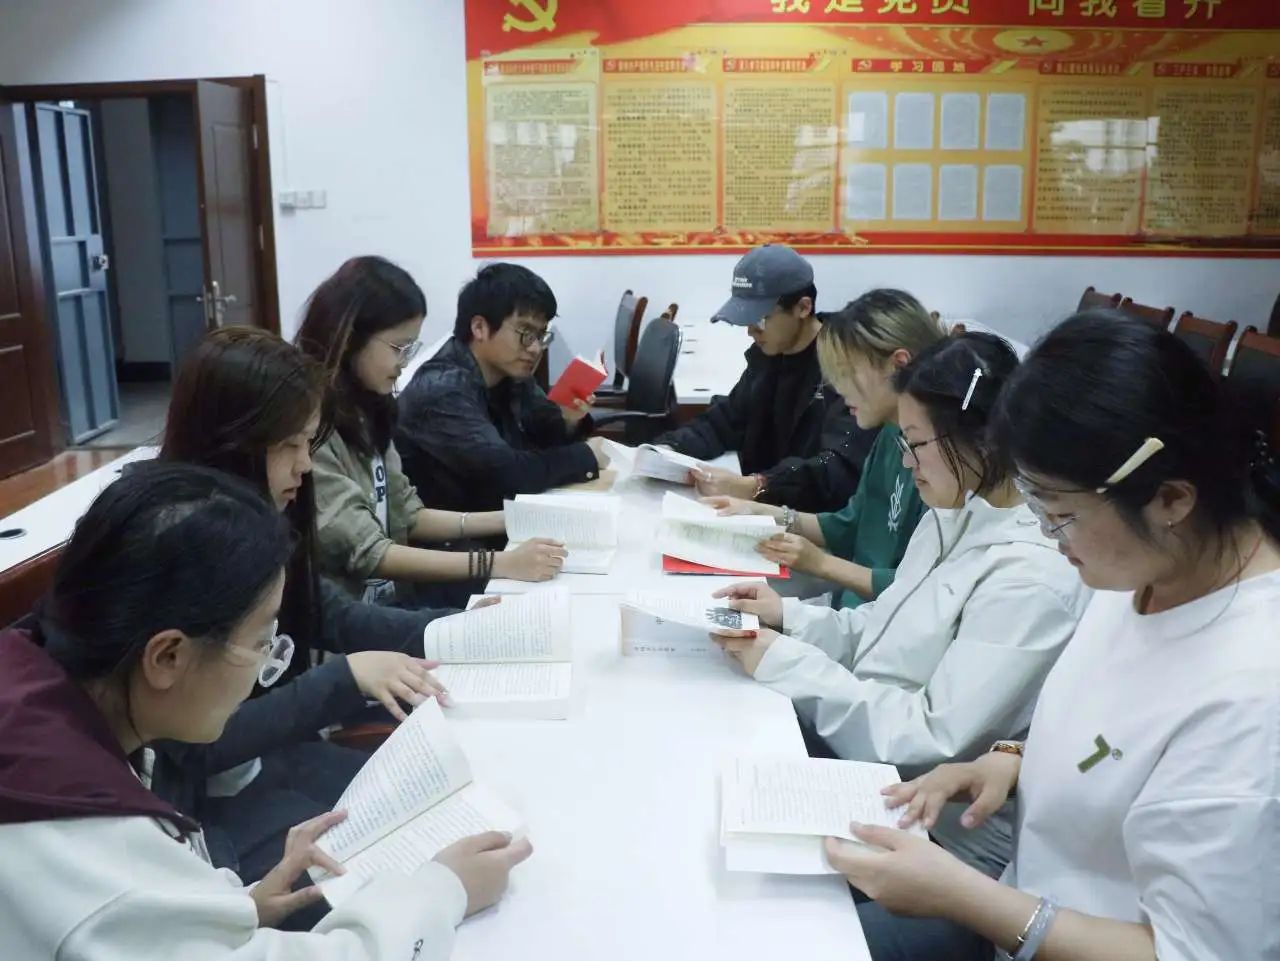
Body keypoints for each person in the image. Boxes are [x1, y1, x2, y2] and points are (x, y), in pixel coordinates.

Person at [822, 312, 1280, 960]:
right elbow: (1115, 731)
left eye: (1059, 514)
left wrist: (962, 896)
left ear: (1172, 500)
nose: (1046, 534)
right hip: (1015, 903)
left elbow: (1194, 951)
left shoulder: (1254, 692)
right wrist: (1010, 759)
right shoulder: (1146, 568)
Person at [0, 461, 532, 960]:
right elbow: (125, 907)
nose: (265, 664)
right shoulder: (85, 847)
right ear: (167, 657)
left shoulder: (43, 687)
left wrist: (240, 905)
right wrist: (442, 891)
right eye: (261, 642)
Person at [710, 332, 1088, 894]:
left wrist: (786, 663)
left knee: (743, 881)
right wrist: (789, 620)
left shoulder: (1031, 577)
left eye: (914, 443)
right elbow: (879, 628)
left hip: (937, 837)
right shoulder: (955, 511)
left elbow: (928, 739)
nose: (906, 462)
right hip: (866, 762)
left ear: (982, 438)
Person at [156, 326, 461, 922]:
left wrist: (468, 629)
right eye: (290, 446)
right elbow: (187, 750)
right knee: (414, 881)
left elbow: (337, 618)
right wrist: (342, 680)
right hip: (210, 817)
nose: (305, 466)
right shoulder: (180, 546)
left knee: (447, 803)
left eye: (309, 443)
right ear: (234, 440)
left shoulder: (262, 517)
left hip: (272, 763)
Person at [296, 256, 566, 604]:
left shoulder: (369, 407)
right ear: (349, 339)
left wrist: (519, 519)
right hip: (349, 616)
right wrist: (500, 563)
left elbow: (408, 514)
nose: (405, 362)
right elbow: (369, 551)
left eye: (411, 347)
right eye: (399, 347)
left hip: (390, 600)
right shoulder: (310, 427)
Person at [703, 289, 943, 608]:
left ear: (898, 365)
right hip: (847, 610)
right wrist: (758, 511)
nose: (838, 389)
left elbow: (921, 591)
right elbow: (848, 524)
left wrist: (820, 564)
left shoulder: (943, 465)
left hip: (873, 622)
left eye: (846, 373)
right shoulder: (889, 433)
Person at [651, 244, 876, 512]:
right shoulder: (767, 357)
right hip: (762, 507)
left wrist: (757, 485)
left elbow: (836, 468)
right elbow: (726, 421)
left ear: (803, 307)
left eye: (760, 320)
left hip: (810, 521)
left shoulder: (846, 367)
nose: (751, 332)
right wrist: (667, 450)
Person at [395, 262, 611, 512]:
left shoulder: (510, 373)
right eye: (526, 333)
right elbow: (507, 474)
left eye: (541, 336)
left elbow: (542, 432)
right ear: (479, 328)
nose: (535, 348)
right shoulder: (443, 390)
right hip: (459, 528)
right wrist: (584, 456)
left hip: (497, 513)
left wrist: (569, 420)